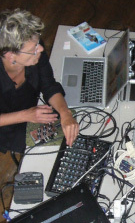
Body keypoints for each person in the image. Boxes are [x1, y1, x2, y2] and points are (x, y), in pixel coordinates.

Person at [0, 8, 79, 155]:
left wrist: (65, 113)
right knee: (50, 151)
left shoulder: (34, 52)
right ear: (10, 56)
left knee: (72, 130)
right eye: (34, 48)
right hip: (6, 126)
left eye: (38, 43)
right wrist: (26, 115)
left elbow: (48, 84)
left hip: (32, 110)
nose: (41, 48)